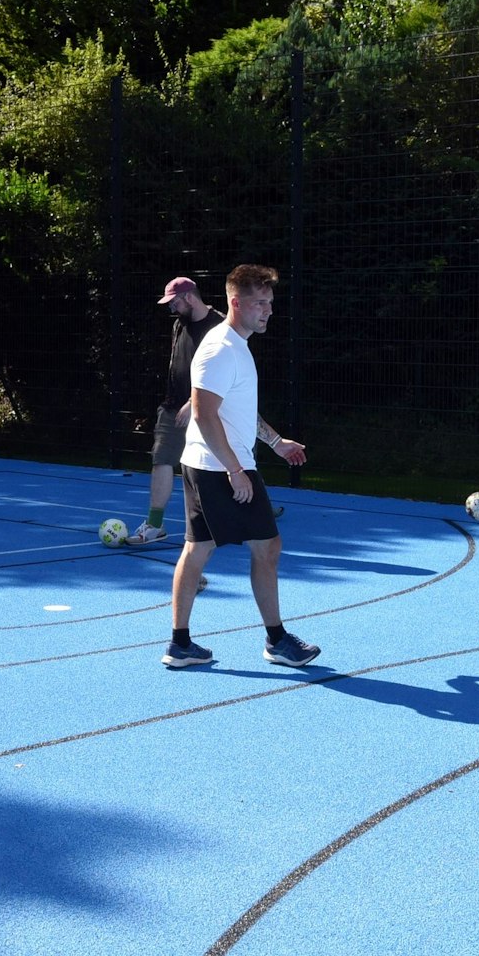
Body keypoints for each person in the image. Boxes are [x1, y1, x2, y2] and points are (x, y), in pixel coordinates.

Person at [162, 264, 316, 669]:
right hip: (218, 467)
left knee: (199, 550)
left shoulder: (236, 345)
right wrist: (235, 470)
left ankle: (180, 644)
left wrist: (276, 442)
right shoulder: (219, 349)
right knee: (266, 546)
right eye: (259, 303)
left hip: (211, 463)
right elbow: (203, 412)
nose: (267, 310)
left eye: (270, 303)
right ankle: (276, 640)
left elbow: (236, 410)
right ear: (236, 302)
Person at [131, 276, 294, 545]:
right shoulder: (179, 325)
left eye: (173, 302)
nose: (171, 308)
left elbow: (212, 383)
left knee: (236, 466)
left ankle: (252, 509)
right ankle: (154, 524)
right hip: (175, 408)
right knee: (162, 460)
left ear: (188, 297)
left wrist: (191, 404)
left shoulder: (220, 329)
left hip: (207, 411)